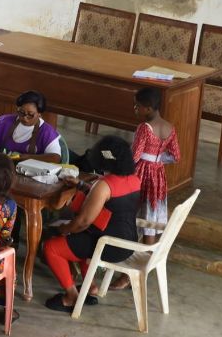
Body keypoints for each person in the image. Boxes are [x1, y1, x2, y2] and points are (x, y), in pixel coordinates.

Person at [42, 135, 140, 312]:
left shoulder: (104, 185)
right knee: (80, 239)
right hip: (128, 241)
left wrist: (62, 230)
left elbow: (82, 222)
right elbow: (109, 201)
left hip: (108, 246)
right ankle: (91, 286)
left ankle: (71, 296)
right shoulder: (134, 180)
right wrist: (81, 185)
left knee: (52, 247)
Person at [131, 87, 180, 245]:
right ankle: (149, 256)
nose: (135, 109)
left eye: (138, 106)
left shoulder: (144, 128)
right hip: (158, 175)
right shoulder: (170, 128)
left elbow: (135, 156)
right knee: (150, 215)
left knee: (137, 212)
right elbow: (175, 156)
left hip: (141, 174)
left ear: (148, 108)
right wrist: (157, 159)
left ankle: (134, 255)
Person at [0, 90, 63, 163]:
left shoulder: (46, 131)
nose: (25, 118)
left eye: (30, 114)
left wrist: (29, 157)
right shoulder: (6, 121)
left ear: (39, 114)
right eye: (21, 113)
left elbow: (55, 158)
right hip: (3, 168)